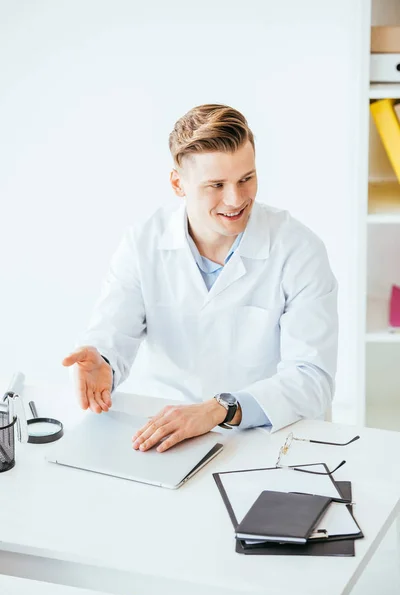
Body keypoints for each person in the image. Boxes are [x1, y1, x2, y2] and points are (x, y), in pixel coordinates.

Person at [62, 103, 338, 454]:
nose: (236, 199)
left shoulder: (299, 250)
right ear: (178, 183)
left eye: (246, 178)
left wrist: (220, 408)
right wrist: (102, 361)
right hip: (167, 433)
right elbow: (113, 332)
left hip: (272, 437)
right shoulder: (142, 244)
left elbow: (312, 379)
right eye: (216, 184)